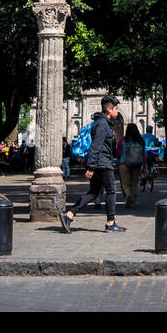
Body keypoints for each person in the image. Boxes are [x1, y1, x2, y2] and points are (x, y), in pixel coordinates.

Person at [60, 97, 125, 234]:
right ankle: (110, 223)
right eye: (116, 108)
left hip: (100, 162)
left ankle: (69, 214)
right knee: (111, 190)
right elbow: (96, 145)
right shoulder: (102, 124)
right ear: (109, 109)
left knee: (94, 192)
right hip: (102, 163)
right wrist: (91, 166)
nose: (117, 112)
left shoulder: (102, 122)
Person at [118, 123, 146, 208]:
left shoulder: (122, 140)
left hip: (123, 163)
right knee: (134, 182)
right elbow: (143, 155)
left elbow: (118, 153)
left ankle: (128, 195)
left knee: (125, 183)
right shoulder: (141, 141)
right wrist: (144, 166)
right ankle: (133, 199)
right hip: (137, 164)